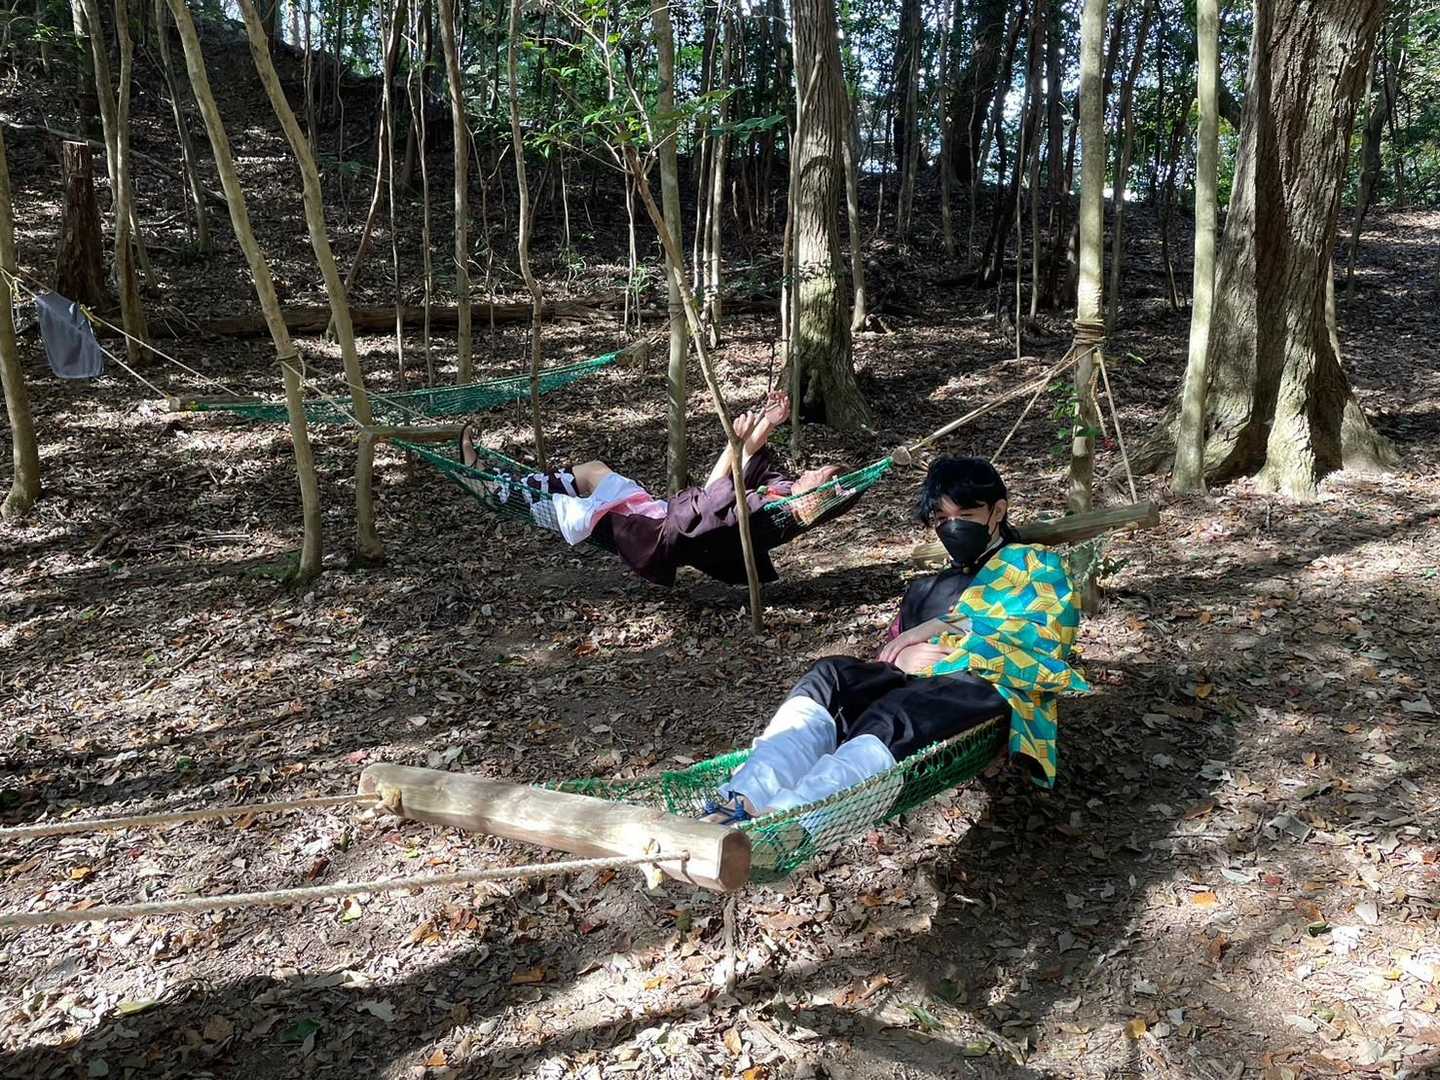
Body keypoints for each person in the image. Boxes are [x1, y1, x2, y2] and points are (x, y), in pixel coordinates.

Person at [704, 456, 1089, 828]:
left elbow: (1043, 639)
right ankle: (743, 797)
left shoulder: (1035, 566)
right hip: (909, 687)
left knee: (896, 714)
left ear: (998, 511)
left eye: (966, 516)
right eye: (942, 519)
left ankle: (792, 818)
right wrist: (901, 657)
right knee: (829, 674)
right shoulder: (926, 588)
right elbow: (888, 657)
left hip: (978, 686)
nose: (952, 527)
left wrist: (942, 631)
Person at [458, 392, 854, 586]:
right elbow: (743, 466)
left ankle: (495, 490)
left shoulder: (768, 512)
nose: (810, 471)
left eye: (818, 475)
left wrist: (735, 445)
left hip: (656, 533)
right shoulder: (781, 494)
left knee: (580, 494)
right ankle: (500, 486)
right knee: (591, 475)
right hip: (661, 517)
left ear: (818, 496)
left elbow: (716, 488)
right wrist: (768, 423)